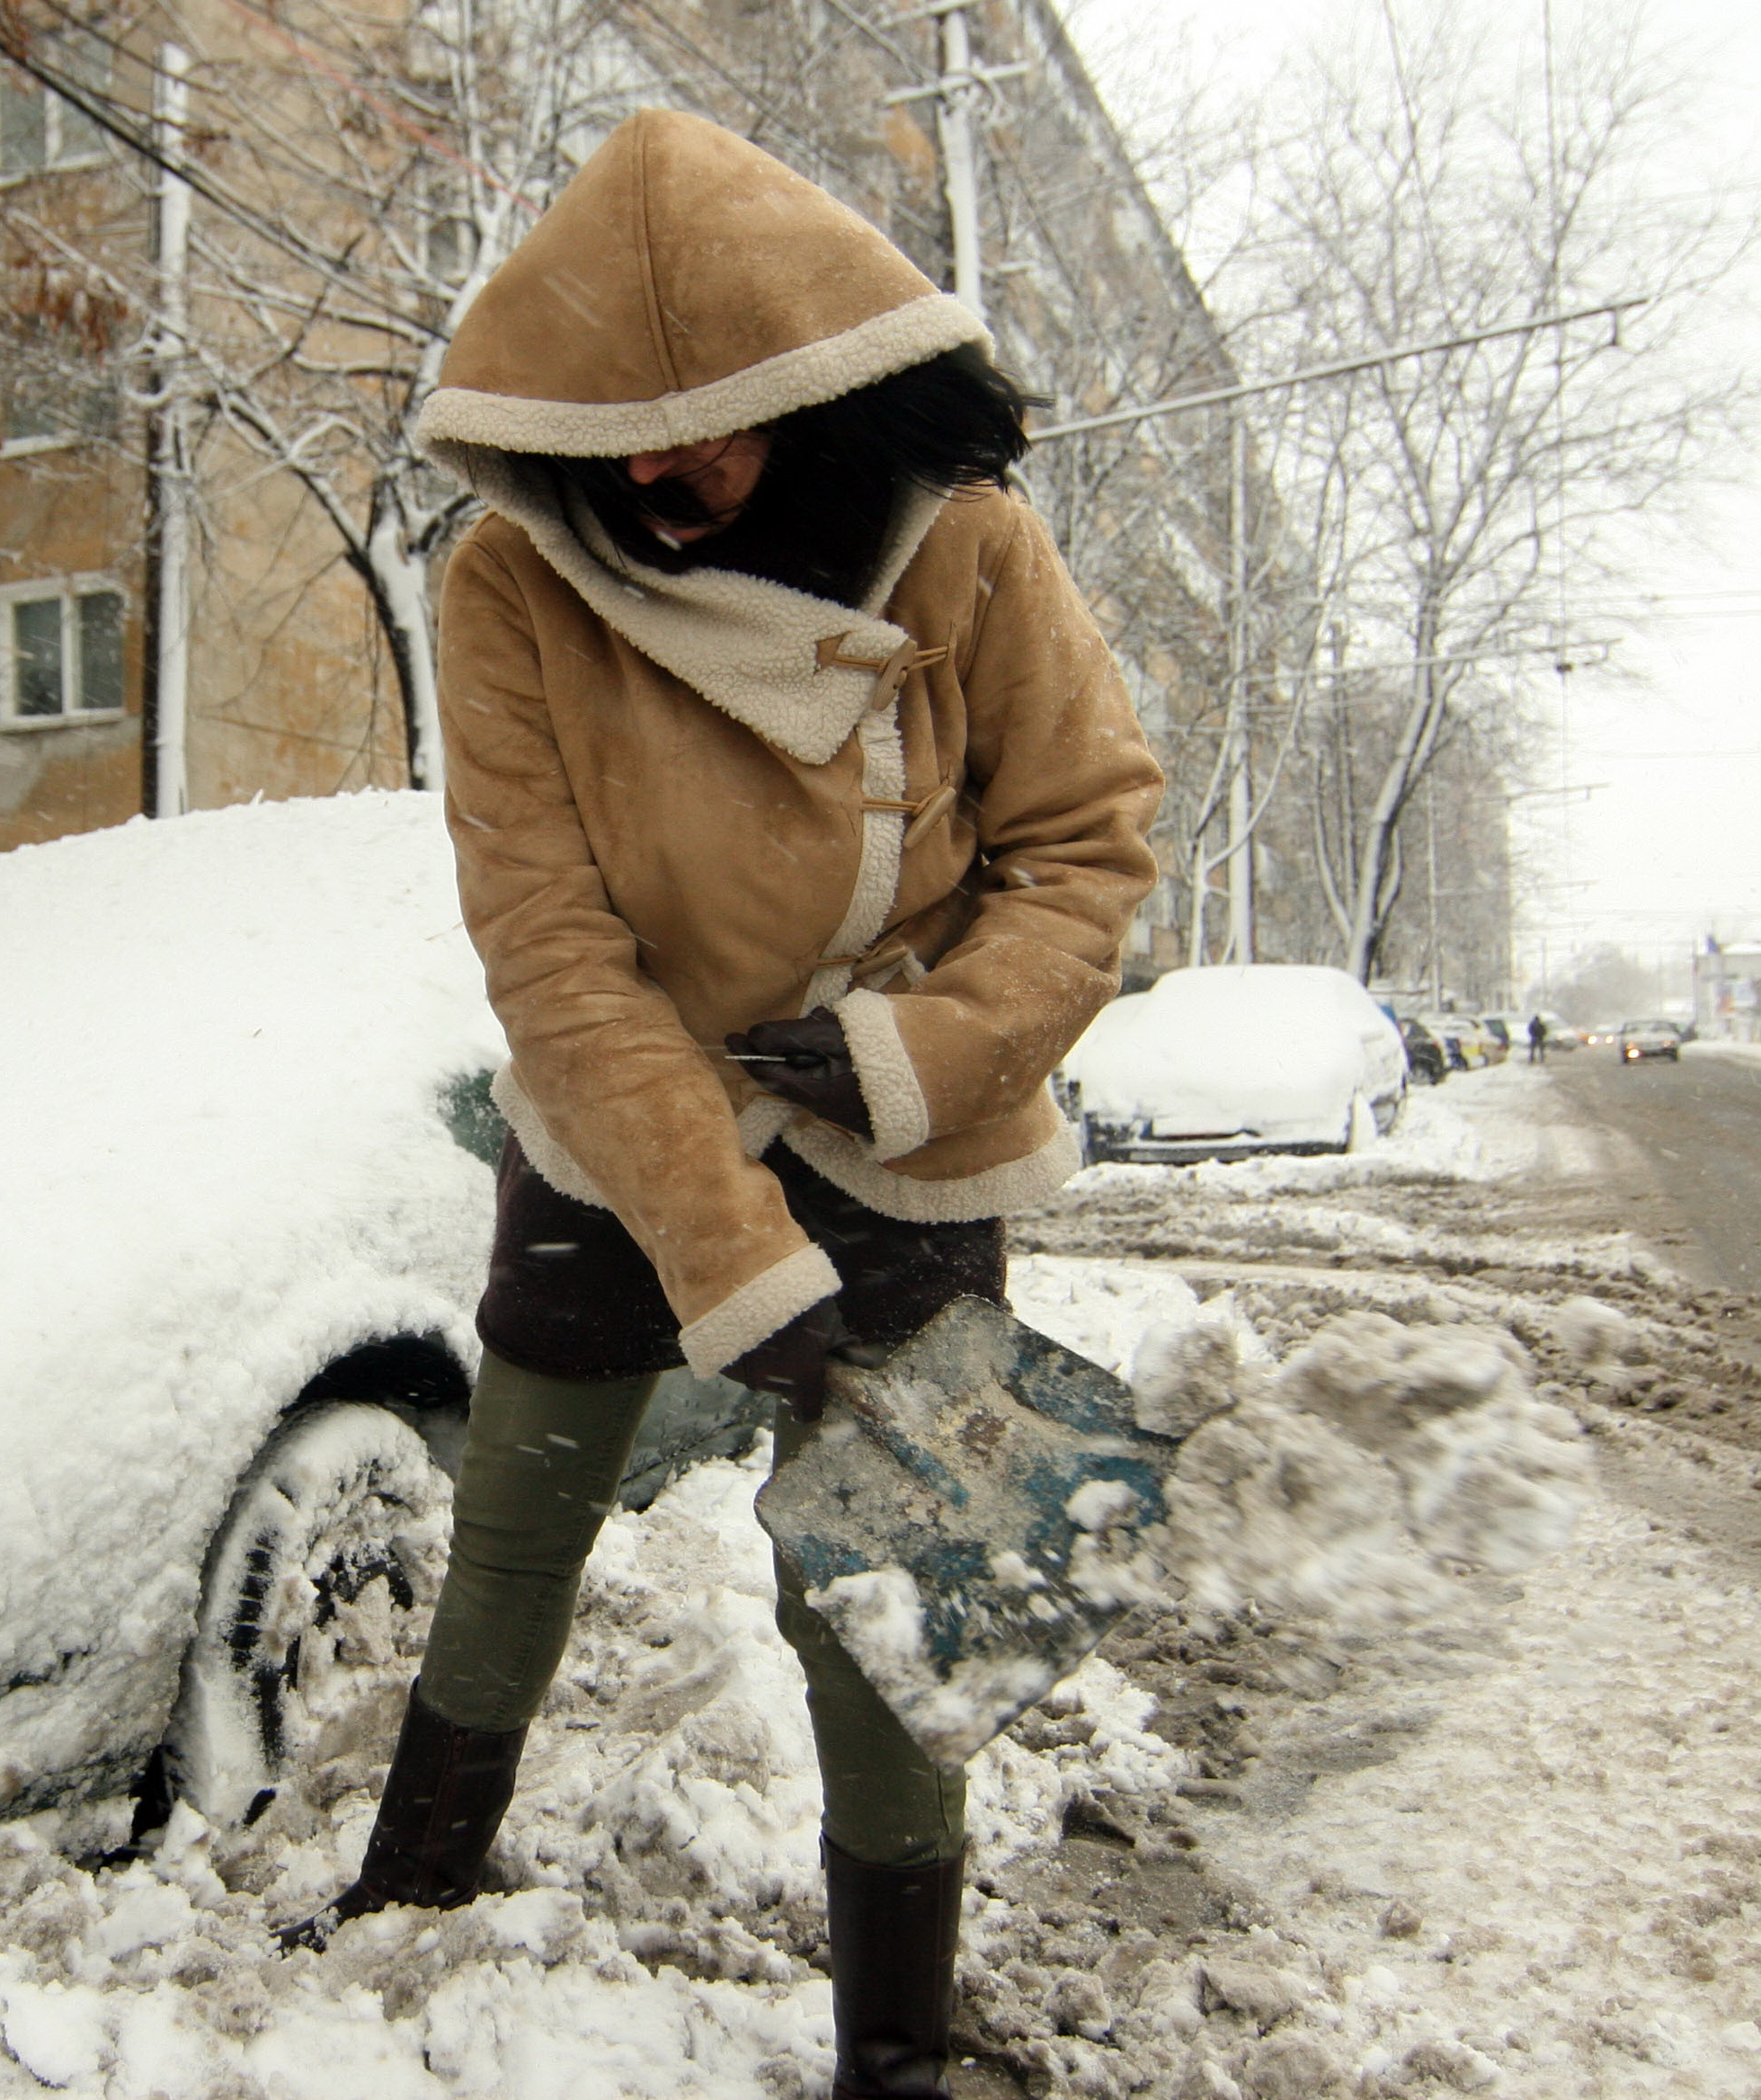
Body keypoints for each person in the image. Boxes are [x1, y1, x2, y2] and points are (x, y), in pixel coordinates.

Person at [281, 111, 1164, 2100]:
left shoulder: (968, 552)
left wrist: (915, 1056)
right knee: (517, 1528)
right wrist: (727, 1242)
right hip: (623, 1132)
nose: (659, 477)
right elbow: (554, 945)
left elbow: (1089, 848)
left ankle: (897, 2041)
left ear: (815, 388)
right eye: (617, 441)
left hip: (903, 1125)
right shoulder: (513, 588)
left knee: (885, 1590)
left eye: (708, 429)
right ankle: (412, 1891)